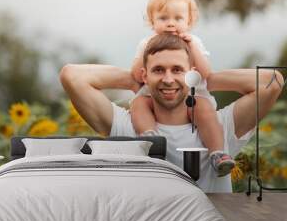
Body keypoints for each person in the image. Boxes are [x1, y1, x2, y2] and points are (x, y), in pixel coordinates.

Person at [60, 34, 283, 192]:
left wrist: (209, 79)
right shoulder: (127, 127)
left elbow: (273, 81)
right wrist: (132, 80)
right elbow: (72, 76)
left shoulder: (219, 126)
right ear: (144, 76)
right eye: (158, 70)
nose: (168, 79)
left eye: (177, 70)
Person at [129, 0, 234, 177]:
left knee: (203, 110)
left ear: (189, 22)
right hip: (155, 94)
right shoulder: (147, 43)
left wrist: (192, 46)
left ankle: (217, 153)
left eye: (178, 19)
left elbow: (205, 73)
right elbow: (137, 74)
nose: (171, 24)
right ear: (152, 22)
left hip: (191, 93)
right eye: (163, 18)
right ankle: (150, 138)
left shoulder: (193, 42)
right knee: (138, 104)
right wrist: (148, 48)